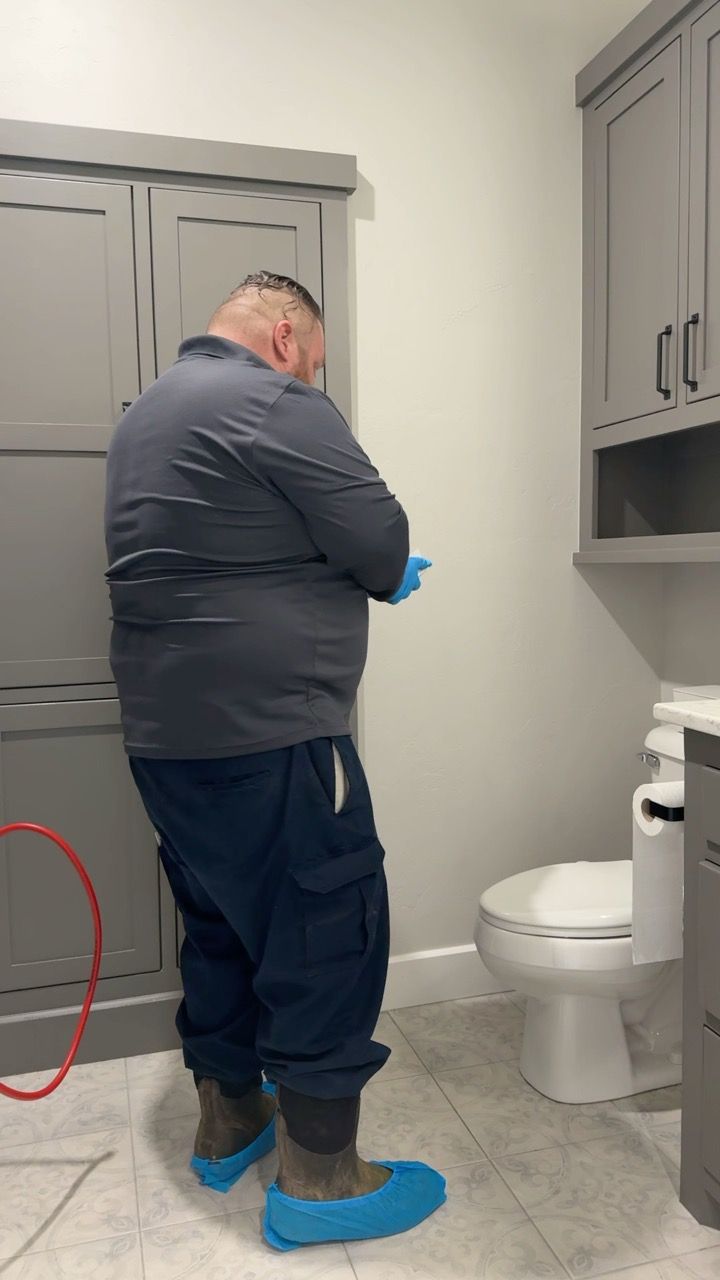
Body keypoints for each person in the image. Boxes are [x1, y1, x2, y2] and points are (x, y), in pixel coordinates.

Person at [104, 272, 443, 1250]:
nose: (314, 375)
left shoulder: (145, 417)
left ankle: (230, 1118)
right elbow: (379, 540)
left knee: (222, 930)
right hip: (276, 734)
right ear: (287, 335)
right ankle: (323, 1181)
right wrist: (379, 573)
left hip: (167, 744)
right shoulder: (269, 396)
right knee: (327, 931)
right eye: (317, 360)